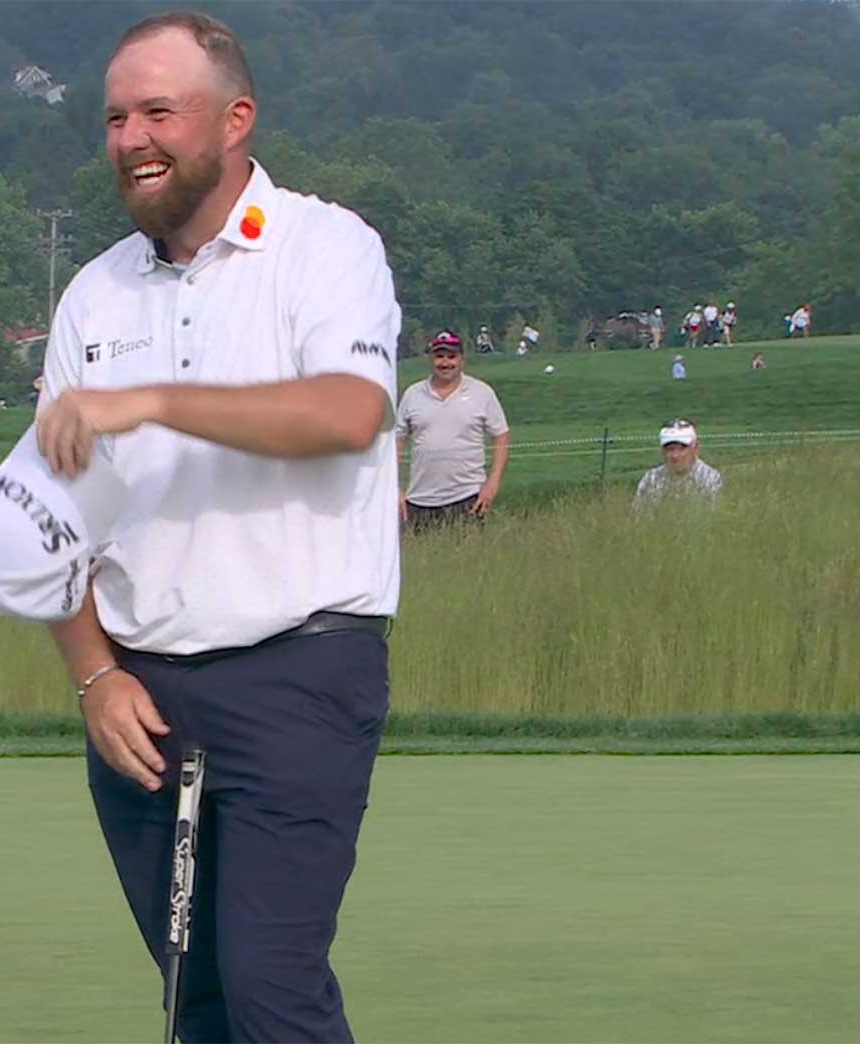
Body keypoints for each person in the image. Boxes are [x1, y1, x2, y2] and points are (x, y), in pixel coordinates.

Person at [31, 13, 399, 1041]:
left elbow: (346, 415)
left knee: (271, 985)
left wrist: (149, 401)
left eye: (157, 111)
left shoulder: (325, 249)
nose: (130, 137)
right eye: (114, 117)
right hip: (139, 693)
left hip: (297, 675)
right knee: (194, 997)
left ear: (234, 119)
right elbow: (54, 521)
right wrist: (93, 676)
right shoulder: (92, 294)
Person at [397, 330, 509, 531]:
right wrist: (395, 488)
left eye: (451, 357)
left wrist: (492, 484)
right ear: (431, 359)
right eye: (439, 357)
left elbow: (501, 436)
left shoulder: (481, 393)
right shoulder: (412, 395)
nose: (445, 363)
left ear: (462, 360)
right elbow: (396, 441)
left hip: (468, 499)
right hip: (419, 501)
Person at [633, 419, 723, 509]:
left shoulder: (710, 479)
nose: (675, 456)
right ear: (662, 451)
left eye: (682, 448)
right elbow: (638, 517)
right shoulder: (651, 480)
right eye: (670, 449)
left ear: (695, 449)